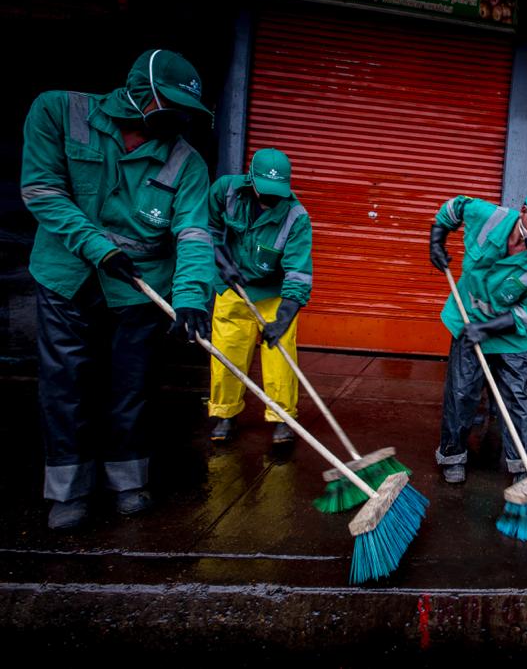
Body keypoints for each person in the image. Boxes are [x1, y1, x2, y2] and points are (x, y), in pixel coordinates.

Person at [21, 49, 215, 529]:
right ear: (139, 93)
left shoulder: (186, 161)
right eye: (170, 105)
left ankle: (128, 480)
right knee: (66, 385)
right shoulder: (58, 111)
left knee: (130, 387)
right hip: (67, 276)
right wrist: (95, 245)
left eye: (185, 110)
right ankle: (69, 490)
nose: (179, 118)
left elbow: (193, 232)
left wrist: (190, 296)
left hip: (139, 289)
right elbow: (42, 189)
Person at [429, 185, 527, 483]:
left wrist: (488, 329)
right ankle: (452, 455)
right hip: (469, 319)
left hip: (510, 334)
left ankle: (523, 465)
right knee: (462, 392)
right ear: (524, 213)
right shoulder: (488, 216)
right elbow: (453, 208)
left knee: (518, 399)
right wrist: (437, 239)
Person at [206, 148, 313, 446]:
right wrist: (222, 260)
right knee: (227, 354)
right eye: (265, 191)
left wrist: (283, 319)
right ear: (250, 180)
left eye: (278, 192)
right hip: (232, 286)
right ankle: (225, 414)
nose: (271, 199)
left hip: (275, 294)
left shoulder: (296, 217)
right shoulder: (225, 190)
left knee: (280, 357)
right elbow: (207, 227)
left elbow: (298, 272)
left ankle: (282, 419)